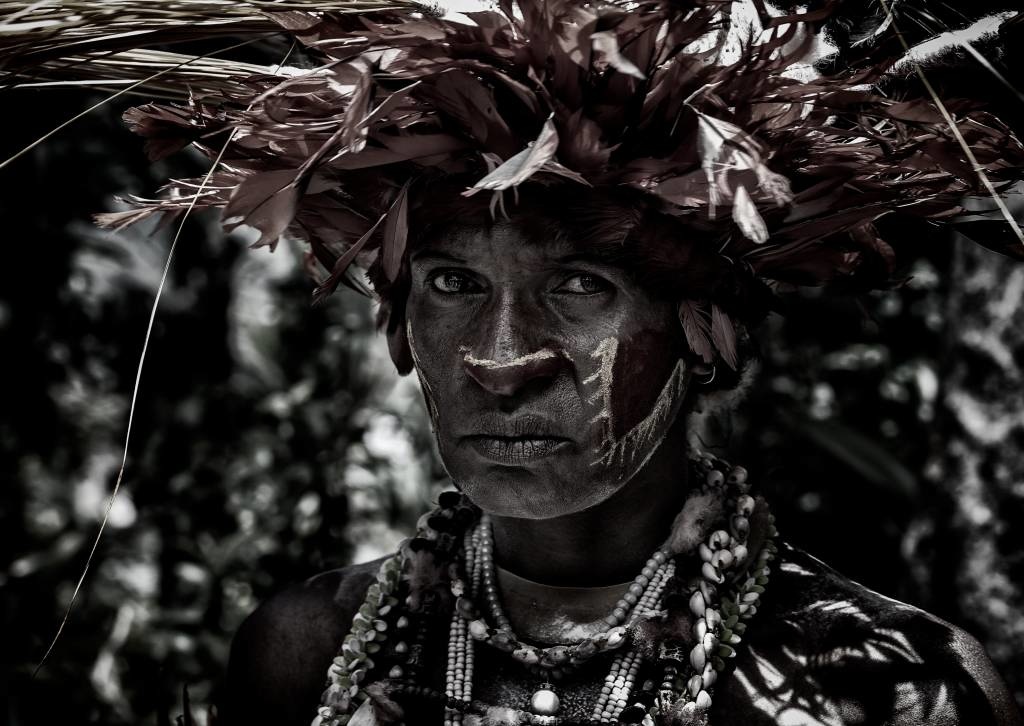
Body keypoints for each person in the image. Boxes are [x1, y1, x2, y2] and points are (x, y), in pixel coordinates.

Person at [5, 1, 1022, 724]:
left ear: (706, 336)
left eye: (579, 285)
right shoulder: (305, 651)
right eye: (451, 286)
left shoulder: (883, 684)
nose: (500, 359)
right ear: (399, 331)